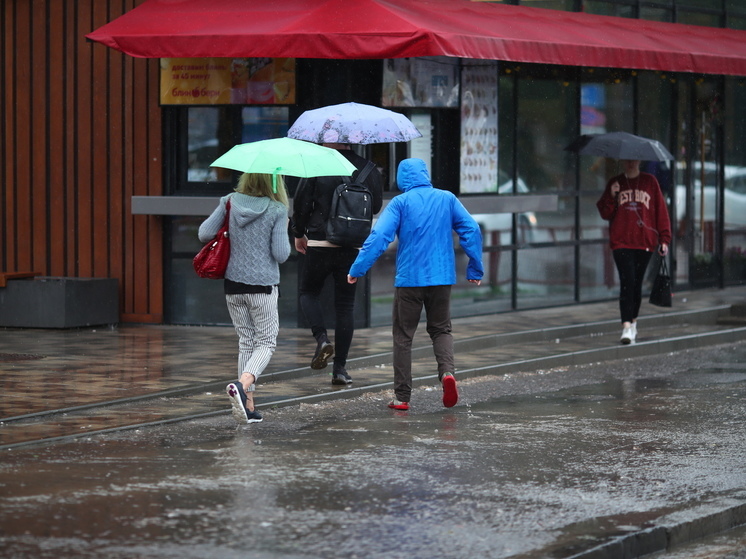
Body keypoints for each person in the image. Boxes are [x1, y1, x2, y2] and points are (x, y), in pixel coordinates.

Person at [347, 158, 483, 410]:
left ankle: (402, 397)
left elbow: (380, 235)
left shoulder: (400, 203)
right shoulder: (447, 199)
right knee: (441, 330)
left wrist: (359, 267)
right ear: (425, 175)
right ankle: (447, 374)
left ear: (402, 179)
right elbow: (471, 228)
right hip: (442, 278)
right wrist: (475, 266)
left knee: (403, 337)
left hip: (410, 279)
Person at [199, 173, 291, 424]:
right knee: (267, 341)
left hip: (233, 285)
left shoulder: (228, 202)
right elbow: (281, 254)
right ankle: (242, 384)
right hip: (262, 287)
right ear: (274, 182)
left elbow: (204, 233)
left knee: (246, 341)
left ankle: (248, 406)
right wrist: (282, 226)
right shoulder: (277, 209)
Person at [291, 143, 383, 385]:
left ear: (332, 140)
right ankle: (340, 369)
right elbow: (374, 206)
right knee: (345, 306)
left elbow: (301, 203)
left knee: (308, 292)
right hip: (352, 245)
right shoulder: (369, 168)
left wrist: (299, 232)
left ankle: (322, 339)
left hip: (320, 241)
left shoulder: (317, 165)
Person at [597, 159, 671, 345]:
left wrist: (664, 239)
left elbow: (660, 212)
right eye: (627, 160)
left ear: (639, 161)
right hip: (621, 241)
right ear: (622, 162)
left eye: (634, 160)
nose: (630, 163)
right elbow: (605, 213)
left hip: (644, 242)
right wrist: (612, 196)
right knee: (627, 281)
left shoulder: (650, 182)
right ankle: (626, 327)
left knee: (636, 284)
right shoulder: (615, 183)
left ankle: (634, 322)